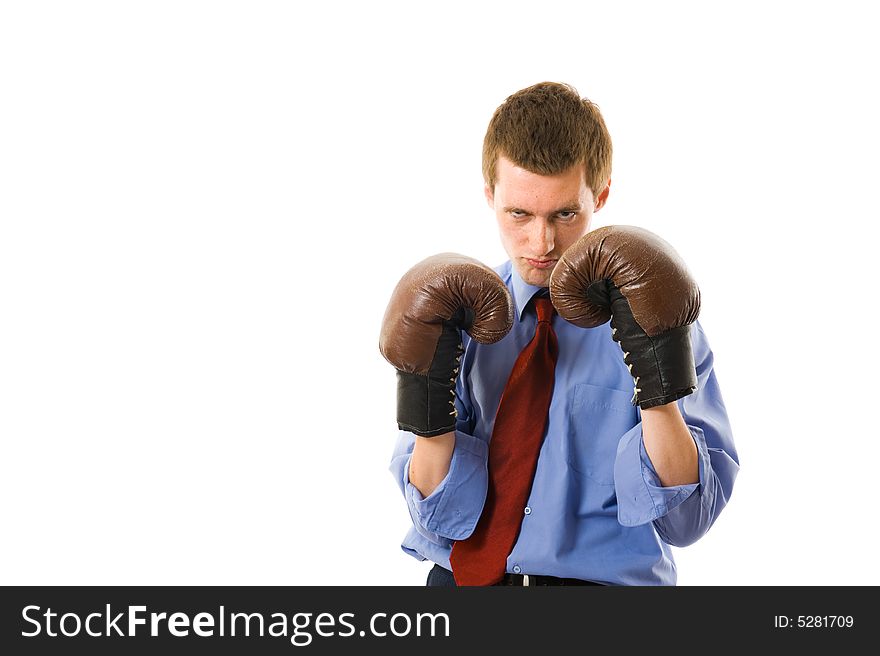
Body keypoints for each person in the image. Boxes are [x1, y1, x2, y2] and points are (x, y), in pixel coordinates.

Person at [382, 81, 739, 586]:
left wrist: (659, 386)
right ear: (490, 195)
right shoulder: (453, 311)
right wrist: (426, 397)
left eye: (565, 213)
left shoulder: (657, 315)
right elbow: (434, 519)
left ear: (602, 194)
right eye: (519, 214)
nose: (541, 242)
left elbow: (688, 521)